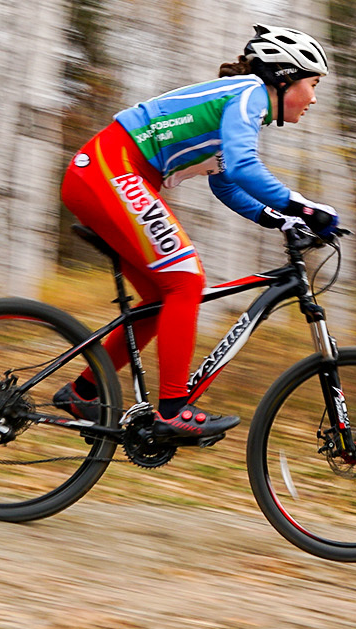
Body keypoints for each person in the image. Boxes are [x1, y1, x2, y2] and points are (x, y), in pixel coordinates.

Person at [54, 24, 340, 438]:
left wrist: (279, 219)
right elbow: (244, 167)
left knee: (160, 296)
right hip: (110, 170)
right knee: (186, 281)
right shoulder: (249, 95)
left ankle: (84, 391)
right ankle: (172, 411)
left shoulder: (242, 106)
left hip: (108, 172)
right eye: (312, 84)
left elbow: (225, 182)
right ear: (283, 78)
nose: (313, 97)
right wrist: (306, 208)